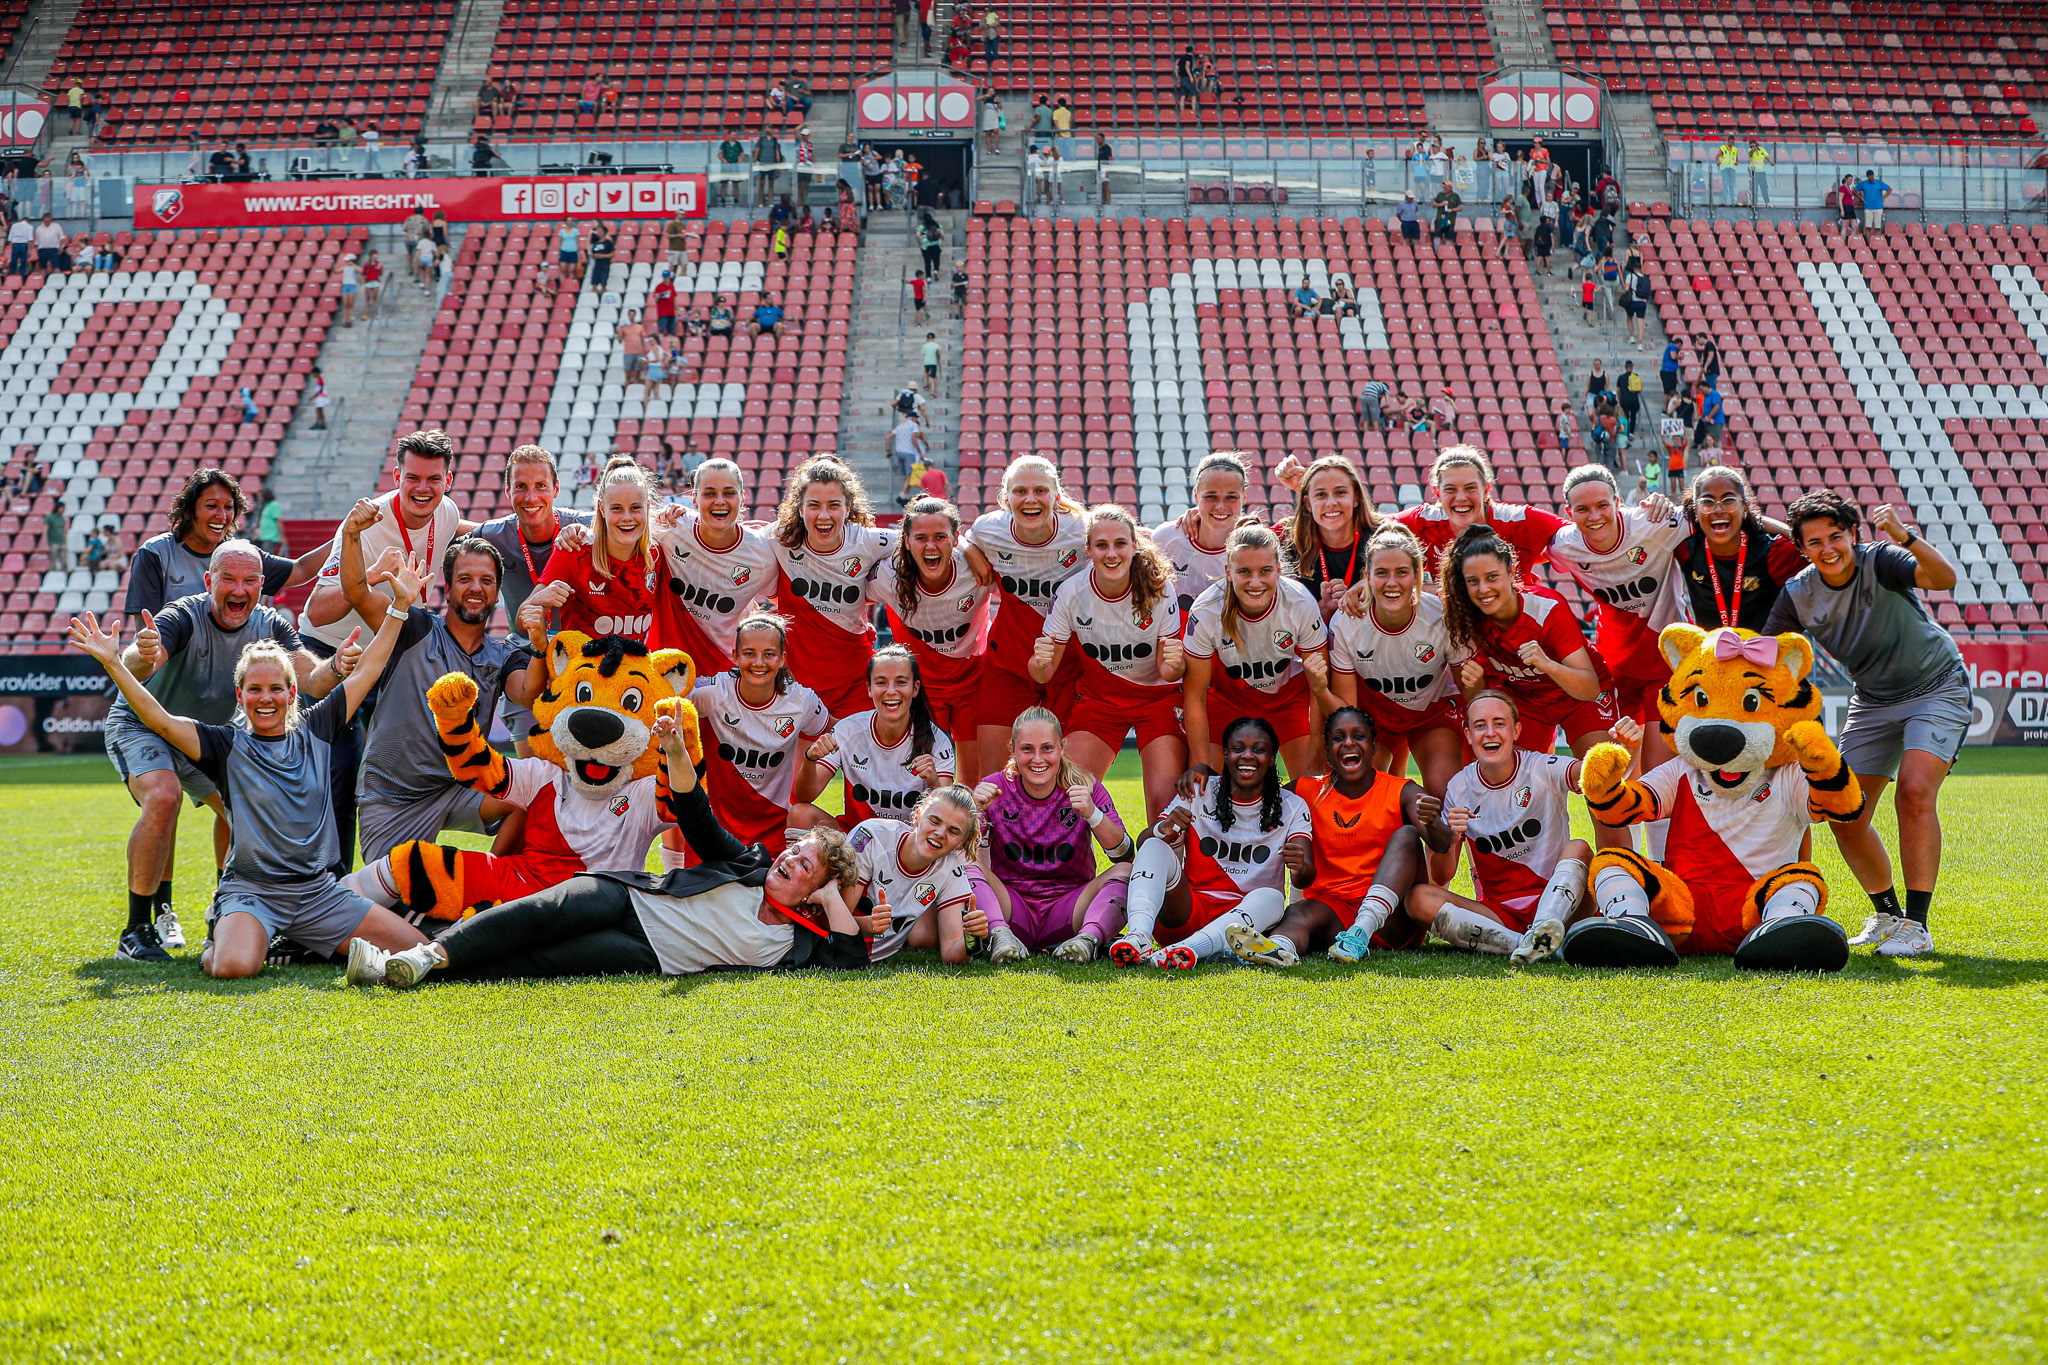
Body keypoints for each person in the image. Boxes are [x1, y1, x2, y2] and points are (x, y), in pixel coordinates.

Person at [358, 706, 869, 986]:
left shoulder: (797, 946)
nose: (788, 857)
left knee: (538, 962)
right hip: (627, 897)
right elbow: (697, 817)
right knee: (534, 918)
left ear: (815, 893)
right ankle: (428, 953)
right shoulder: (749, 865)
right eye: (794, 851)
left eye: (804, 866)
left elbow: (851, 964)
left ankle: (403, 968)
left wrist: (830, 903)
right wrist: (673, 753)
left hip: (650, 954)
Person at [79, 555, 414, 975]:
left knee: (421, 949)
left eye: (276, 688)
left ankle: (287, 935)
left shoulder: (318, 726)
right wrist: (114, 662)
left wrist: (400, 607)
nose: (266, 698)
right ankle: (206, 928)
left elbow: (369, 668)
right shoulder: (226, 743)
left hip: (317, 892)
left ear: (292, 694)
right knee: (232, 967)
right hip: (253, 891)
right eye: (254, 689)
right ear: (239, 698)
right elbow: (159, 719)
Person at [1763, 491, 1964, 959]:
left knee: (1914, 791)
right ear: (1802, 548)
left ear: (1853, 534)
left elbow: (1943, 578)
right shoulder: (1797, 592)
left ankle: (1917, 925)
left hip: (1937, 685)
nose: (1828, 548)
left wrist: (1906, 536)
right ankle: (1887, 915)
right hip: (1872, 700)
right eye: (1814, 542)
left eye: (1836, 536)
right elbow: (1767, 655)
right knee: (1844, 811)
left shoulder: (1884, 560)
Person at [338, 508, 537, 864]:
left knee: (530, 798)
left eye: (487, 581)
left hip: (457, 789)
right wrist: (351, 536)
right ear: (448, 586)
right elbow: (356, 593)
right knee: (396, 907)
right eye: (465, 579)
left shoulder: (503, 655)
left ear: (496, 594)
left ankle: (494, 888)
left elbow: (526, 692)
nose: (476, 588)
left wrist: (539, 641)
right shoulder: (413, 627)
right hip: (393, 794)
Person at [1112, 715, 1313, 970]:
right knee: (1154, 844)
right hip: (1188, 912)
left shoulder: (1292, 806)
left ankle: (1189, 951)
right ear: (1226, 754)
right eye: (1238, 749)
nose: (1248, 756)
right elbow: (1143, 843)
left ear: (1273, 758)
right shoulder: (1200, 790)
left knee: (1272, 897)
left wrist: (1300, 866)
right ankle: (1138, 936)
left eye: (1259, 750)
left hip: (1244, 927)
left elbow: (1306, 876)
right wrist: (1164, 829)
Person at [1406, 691, 1595, 962]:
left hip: (1562, 904)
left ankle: (1544, 928)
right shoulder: (1459, 786)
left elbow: (1589, 774)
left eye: (1499, 723)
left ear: (1516, 730)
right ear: (1468, 734)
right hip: (1500, 914)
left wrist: (1617, 752)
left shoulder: (1540, 766)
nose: (1490, 733)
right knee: (1418, 899)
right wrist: (1451, 835)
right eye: (1480, 725)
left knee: (1579, 848)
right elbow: (1441, 873)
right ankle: (1526, 944)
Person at [1257, 706, 1448, 964]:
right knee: (1298, 913)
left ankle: (1361, 932)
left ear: (1373, 746)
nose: (1348, 743)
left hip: (1392, 922)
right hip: (1335, 913)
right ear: (1327, 750)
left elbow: (1442, 843)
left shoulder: (1402, 791)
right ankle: (1278, 949)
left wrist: (1433, 821)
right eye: (1338, 738)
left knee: (1407, 835)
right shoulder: (1305, 791)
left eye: (1358, 736)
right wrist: (1209, 780)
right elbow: (1254, 805)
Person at [1033, 505, 1187, 822]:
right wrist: (1039, 661)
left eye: (1120, 544)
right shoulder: (1072, 592)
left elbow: (1167, 670)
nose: (1111, 553)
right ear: (1088, 549)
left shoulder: (1159, 589)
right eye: (1101, 545)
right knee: (1067, 798)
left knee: (1165, 808)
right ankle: (1075, 870)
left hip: (1157, 699)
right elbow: (1043, 672)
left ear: (1133, 546)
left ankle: (1160, 871)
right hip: (1100, 700)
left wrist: (1177, 664)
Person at [1441, 524, 1618, 769]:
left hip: (1579, 698)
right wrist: (1477, 685)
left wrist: (1547, 665)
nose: (1483, 590)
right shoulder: (1467, 619)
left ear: (1512, 572)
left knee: (1602, 775)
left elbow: (1589, 688)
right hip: (1526, 702)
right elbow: (1477, 699)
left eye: (1492, 577)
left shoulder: (1547, 608)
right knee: (1505, 778)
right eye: (1473, 581)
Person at [1326, 523, 1464, 833]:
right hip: (1376, 718)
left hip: (1432, 714)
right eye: (1382, 573)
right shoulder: (1347, 623)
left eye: (1402, 572)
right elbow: (1349, 711)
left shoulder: (1442, 616)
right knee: (1359, 794)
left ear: (1418, 575)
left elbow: (1470, 690)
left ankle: (1437, 881)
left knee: (1445, 796)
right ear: (1367, 576)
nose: (1392, 583)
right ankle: (1381, 875)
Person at [971, 708, 1133, 964]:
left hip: (1069, 908)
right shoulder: (995, 788)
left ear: (1062, 747)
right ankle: (999, 936)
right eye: (1027, 749)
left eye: (1047, 748)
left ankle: (1087, 940)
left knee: (1128, 871)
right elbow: (962, 858)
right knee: (966, 866)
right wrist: (975, 813)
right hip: (1012, 907)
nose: (1038, 759)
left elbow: (1123, 853)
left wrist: (1092, 814)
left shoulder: (1085, 786)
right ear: (1012, 749)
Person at [1181, 524, 1333, 784]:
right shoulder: (1206, 609)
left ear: (1279, 569)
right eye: (1243, 572)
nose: (1255, 582)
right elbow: (1194, 695)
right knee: (1207, 793)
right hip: (1227, 699)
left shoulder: (1299, 602)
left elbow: (1318, 686)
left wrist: (1318, 760)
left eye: (1265, 571)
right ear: (1228, 572)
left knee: (1312, 787)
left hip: (1288, 700)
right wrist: (1200, 764)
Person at [962, 455, 1089, 763]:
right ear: (1006, 499)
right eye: (1020, 491)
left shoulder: (1083, 531)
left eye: (1040, 491)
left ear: (1056, 496)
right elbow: (961, 538)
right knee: (991, 777)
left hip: (1069, 667)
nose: (1030, 499)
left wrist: (1193, 518)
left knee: (1068, 777)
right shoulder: (988, 530)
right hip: (1008, 664)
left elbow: (1134, 542)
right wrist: (968, 548)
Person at [473, 446, 592, 757]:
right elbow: (450, 532)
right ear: (507, 489)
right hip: (524, 659)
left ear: (556, 488)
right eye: (521, 487)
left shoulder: (585, 528)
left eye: (541, 486)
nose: (531, 497)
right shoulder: (492, 536)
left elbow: (634, 523)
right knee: (534, 775)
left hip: (581, 657)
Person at [688, 613, 834, 856]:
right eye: (749, 653)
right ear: (735, 656)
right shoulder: (712, 692)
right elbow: (667, 706)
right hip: (713, 827)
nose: (758, 662)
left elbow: (835, 731)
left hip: (774, 832)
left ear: (782, 659)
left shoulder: (802, 701)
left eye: (769, 654)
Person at [870, 496, 991, 785]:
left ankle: (969, 829)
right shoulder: (889, 574)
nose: (931, 546)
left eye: (940, 537)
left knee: (971, 777)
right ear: (907, 541)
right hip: (921, 686)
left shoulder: (976, 569)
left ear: (955, 538)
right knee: (917, 776)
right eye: (921, 537)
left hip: (972, 679)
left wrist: (970, 548)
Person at [769, 457, 896, 719]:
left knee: (856, 761)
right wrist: (680, 516)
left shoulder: (868, 541)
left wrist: (971, 552)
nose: (824, 515)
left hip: (855, 683)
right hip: (796, 685)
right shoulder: (779, 538)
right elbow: (730, 538)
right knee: (803, 762)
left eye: (834, 505)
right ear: (800, 508)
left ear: (848, 507)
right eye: (814, 505)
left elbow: (926, 540)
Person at [127, 468, 324, 616]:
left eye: (229, 507)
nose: (222, 516)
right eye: (212, 506)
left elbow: (300, 570)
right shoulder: (155, 553)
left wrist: (346, 533)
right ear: (188, 511)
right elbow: (146, 633)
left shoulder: (241, 555)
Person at [648, 457, 775, 676]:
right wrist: (577, 533)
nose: (719, 501)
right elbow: (620, 523)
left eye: (729, 493)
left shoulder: (762, 553)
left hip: (722, 676)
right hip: (664, 670)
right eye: (709, 493)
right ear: (694, 499)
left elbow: (787, 605)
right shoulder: (670, 527)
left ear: (742, 498)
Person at [805, 645, 955, 827]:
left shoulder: (936, 740)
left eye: (901, 682)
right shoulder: (848, 730)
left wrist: (933, 783)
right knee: (801, 814)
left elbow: (947, 815)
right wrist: (809, 760)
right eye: (881, 682)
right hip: (854, 842)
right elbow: (806, 795)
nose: (891, 691)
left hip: (910, 845)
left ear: (915, 688)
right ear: (869, 688)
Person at [521, 457, 659, 645]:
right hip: (582, 671)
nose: (627, 518)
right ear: (602, 508)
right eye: (617, 508)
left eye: (635, 508)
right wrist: (540, 601)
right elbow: (522, 621)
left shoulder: (657, 554)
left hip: (635, 671)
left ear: (648, 507)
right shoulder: (574, 549)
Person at [1390, 445, 1565, 587]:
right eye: (1450, 489)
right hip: (1455, 622)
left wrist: (1538, 555)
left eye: (1470, 488)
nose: (1460, 498)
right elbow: (1371, 525)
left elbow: (1578, 535)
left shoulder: (1520, 520)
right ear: (1437, 493)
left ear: (1486, 490)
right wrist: (1364, 581)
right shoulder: (1423, 521)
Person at [850, 785, 987, 963]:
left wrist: (972, 937)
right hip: (833, 947)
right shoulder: (871, 836)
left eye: (953, 831)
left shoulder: (952, 869)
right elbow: (832, 921)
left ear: (962, 842)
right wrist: (870, 925)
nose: (940, 833)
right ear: (917, 816)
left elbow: (952, 953)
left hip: (868, 958)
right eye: (934, 821)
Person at [1673, 465, 1805, 634]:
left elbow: (1819, 554)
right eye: (1707, 502)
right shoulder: (1685, 548)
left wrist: (1787, 531)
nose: (1718, 510)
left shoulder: (1774, 552)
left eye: (1728, 501)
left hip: (1763, 658)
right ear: (1696, 511)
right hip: (1709, 658)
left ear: (1745, 508)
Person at [1275, 454, 1380, 618]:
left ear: (1356, 498)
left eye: (1340, 492)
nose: (1331, 502)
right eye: (1321, 495)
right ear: (1308, 504)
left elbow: (1418, 588)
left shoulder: (1382, 535)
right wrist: (1322, 608)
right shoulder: (1285, 536)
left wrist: (1372, 585)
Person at [1151, 451, 1249, 615]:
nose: (1220, 506)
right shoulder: (1165, 539)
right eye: (1210, 496)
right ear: (1196, 495)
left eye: (1231, 497)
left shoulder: (1252, 549)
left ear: (1244, 497)